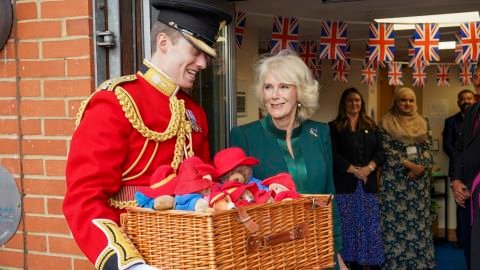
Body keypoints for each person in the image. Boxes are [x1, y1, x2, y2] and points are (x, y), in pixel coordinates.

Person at [63, 1, 231, 269]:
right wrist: (129, 265)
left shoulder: (194, 113)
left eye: (206, 55)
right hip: (138, 253)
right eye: (195, 51)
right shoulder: (115, 100)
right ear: (163, 42)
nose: (203, 63)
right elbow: (84, 199)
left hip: (195, 255)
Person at [229, 50, 346, 270]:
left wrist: (336, 254)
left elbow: (330, 196)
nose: (274, 95)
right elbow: (236, 206)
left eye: (283, 86)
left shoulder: (320, 133)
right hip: (270, 253)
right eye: (268, 87)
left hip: (318, 249)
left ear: (299, 92)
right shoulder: (243, 136)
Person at [378, 87, 435, 269]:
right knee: (394, 224)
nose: (407, 104)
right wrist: (410, 166)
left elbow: (428, 148)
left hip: (418, 183)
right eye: (403, 100)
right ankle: (396, 264)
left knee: (419, 223)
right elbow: (386, 149)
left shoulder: (424, 122)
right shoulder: (386, 122)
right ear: (396, 101)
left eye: (411, 100)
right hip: (395, 182)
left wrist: (420, 167)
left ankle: (419, 263)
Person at [329, 87, 384, 270]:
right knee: (347, 228)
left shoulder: (371, 126)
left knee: (370, 228)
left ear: (362, 103)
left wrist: (368, 169)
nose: (354, 103)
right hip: (346, 187)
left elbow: (380, 152)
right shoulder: (334, 127)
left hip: (368, 187)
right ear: (344, 104)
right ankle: (348, 264)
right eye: (350, 100)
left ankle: (368, 264)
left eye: (358, 100)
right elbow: (333, 155)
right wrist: (354, 170)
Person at [452, 64, 480, 270]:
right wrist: (456, 180)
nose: (477, 82)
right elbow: (459, 149)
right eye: (476, 76)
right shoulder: (472, 111)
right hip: (468, 192)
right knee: (471, 249)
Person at [442, 89, 475, 250]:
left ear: (474, 100)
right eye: (463, 99)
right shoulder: (451, 121)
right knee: (461, 203)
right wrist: (462, 156)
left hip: (476, 171)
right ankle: (462, 238)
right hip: (458, 169)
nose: (466, 101)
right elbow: (448, 145)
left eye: (469, 98)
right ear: (458, 102)